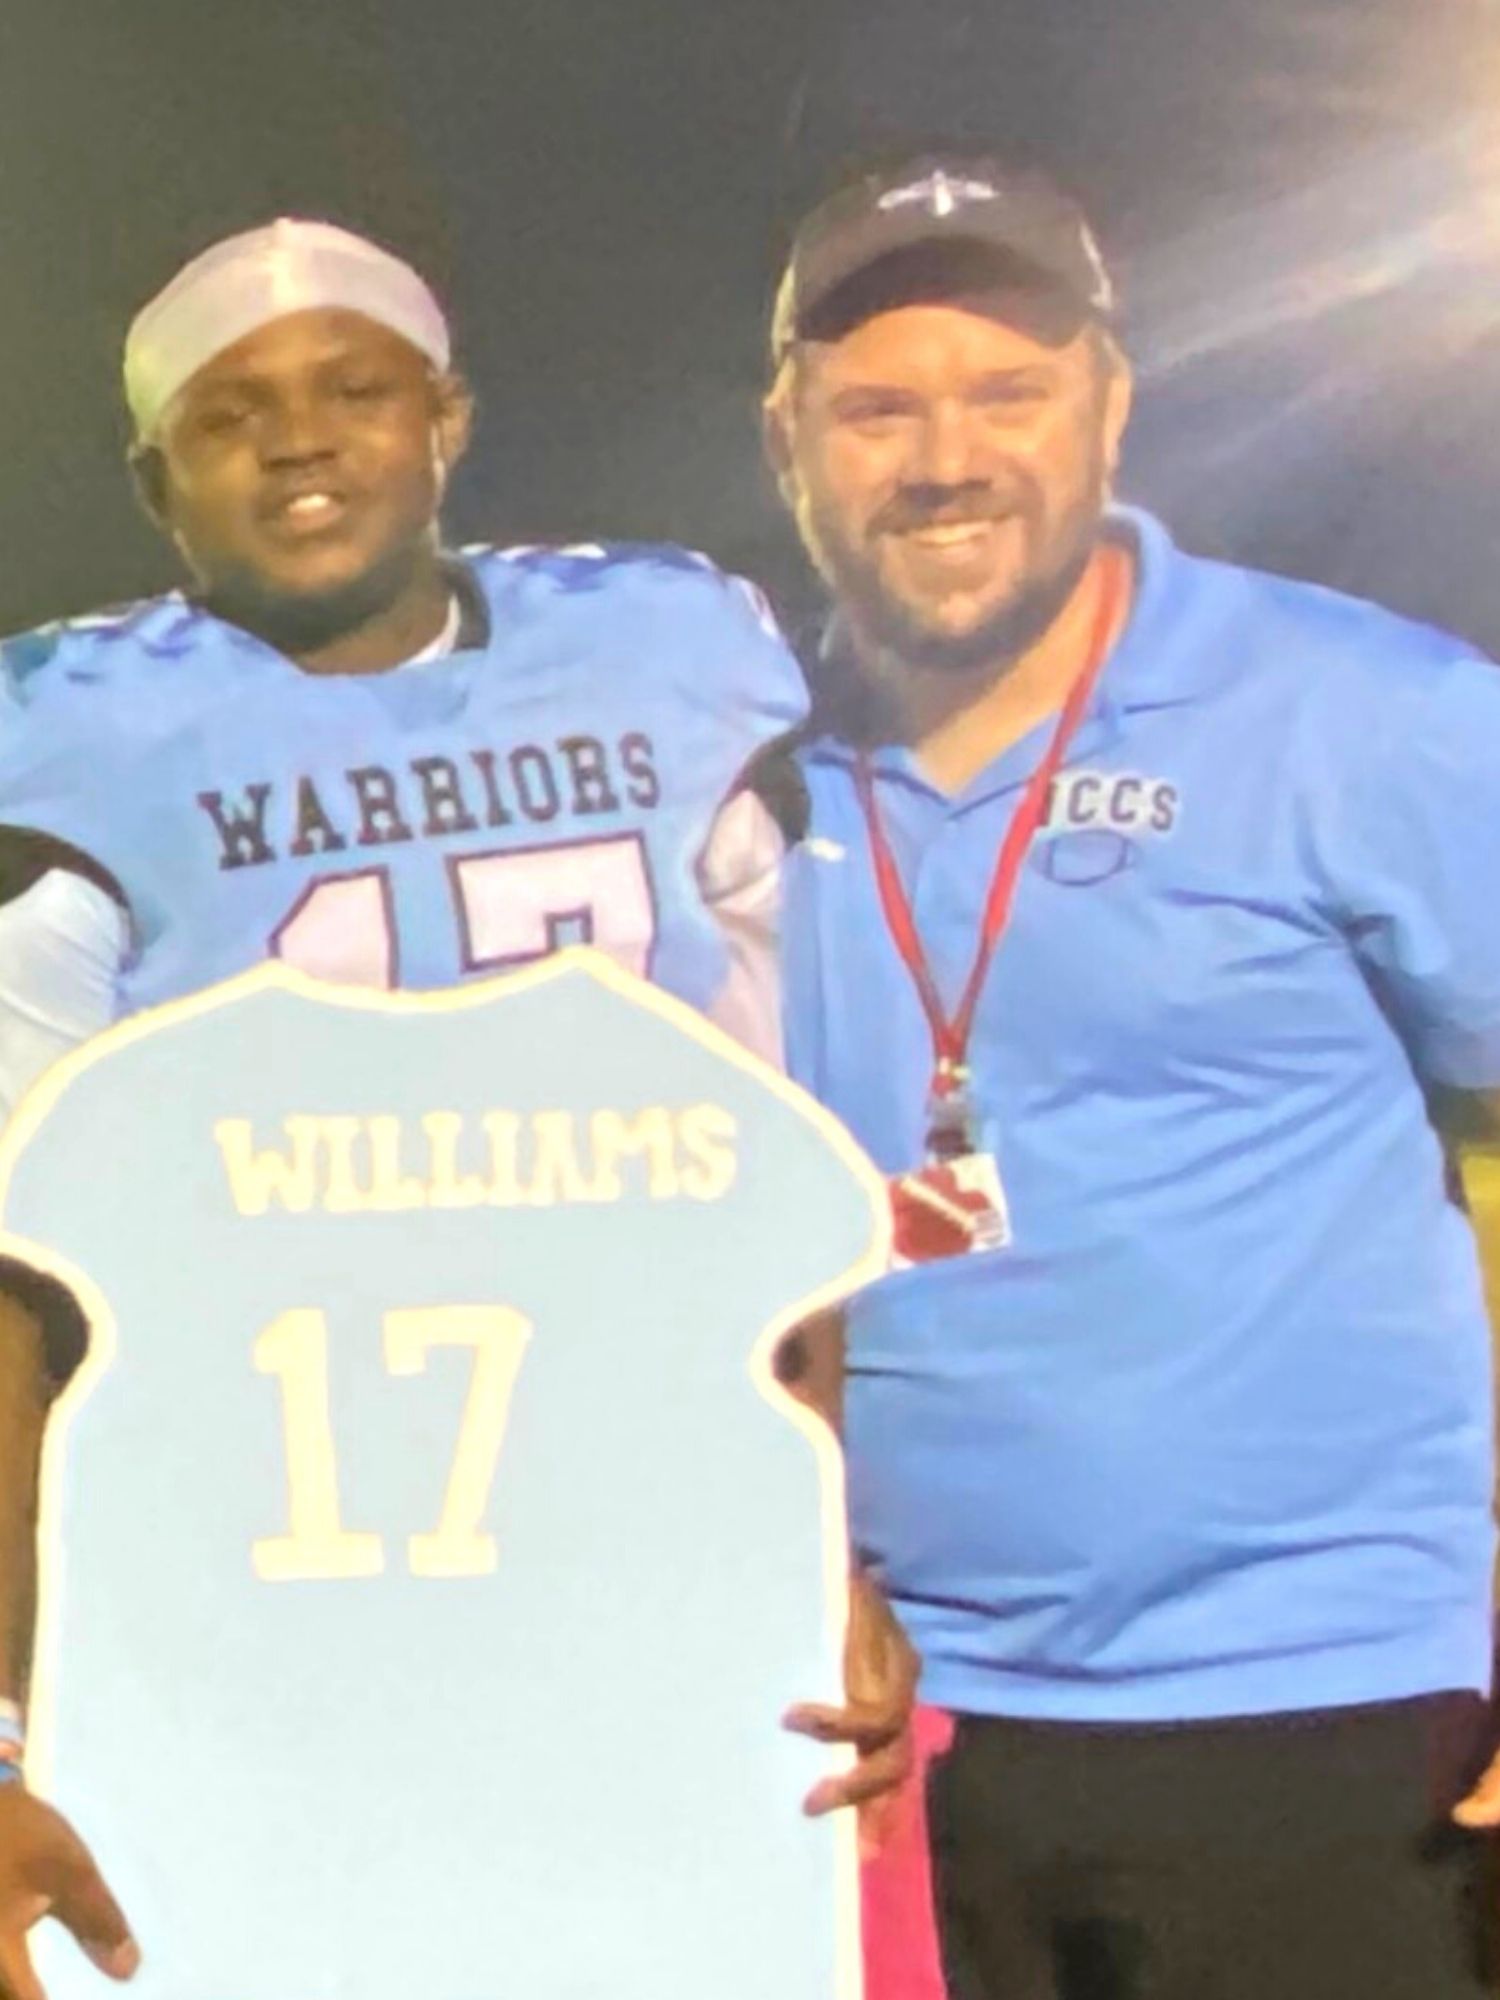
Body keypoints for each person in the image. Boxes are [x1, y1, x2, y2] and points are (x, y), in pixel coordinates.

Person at [0, 217, 913, 2000]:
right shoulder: (75, 735)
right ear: (153, 475)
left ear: (450, 417)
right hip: (250, 1574)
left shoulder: (662, 650)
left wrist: (809, 1542)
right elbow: (16, 1287)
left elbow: (770, 1170)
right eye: (231, 411)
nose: (302, 438)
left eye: (357, 389)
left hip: (630, 1552)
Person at [764, 151, 1500, 1999]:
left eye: (1009, 390)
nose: (944, 456)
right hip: (875, 1738)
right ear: (786, 438)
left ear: (1111, 404)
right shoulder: (733, 781)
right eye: (877, 407)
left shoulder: (1363, 712)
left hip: (1330, 1707)